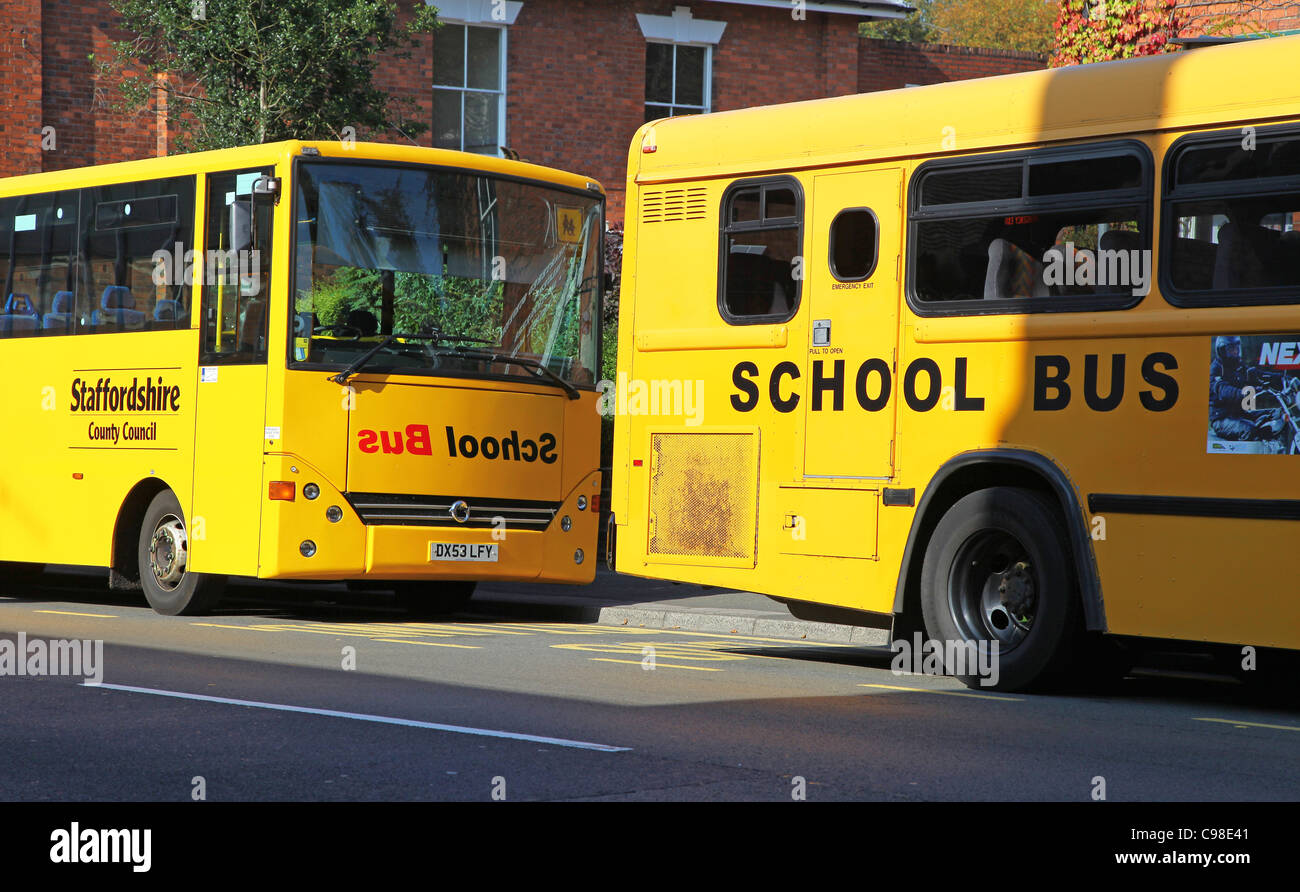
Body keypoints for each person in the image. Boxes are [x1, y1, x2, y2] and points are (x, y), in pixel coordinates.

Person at [1210, 335, 1285, 441]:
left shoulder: (1238, 366)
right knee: (1249, 429)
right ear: (1221, 351)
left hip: (1240, 412)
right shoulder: (1216, 370)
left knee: (1277, 413)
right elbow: (1225, 391)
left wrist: (1282, 378)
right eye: (1231, 349)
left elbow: (1257, 374)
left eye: (1236, 348)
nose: (1235, 351)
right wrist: (1249, 391)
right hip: (1222, 419)